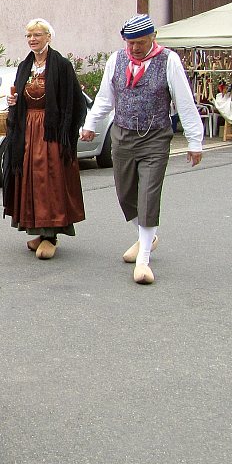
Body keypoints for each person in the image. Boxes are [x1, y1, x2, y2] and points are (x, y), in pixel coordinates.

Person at [80, 14, 203, 285]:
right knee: (125, 194)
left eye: (141, 42)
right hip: (122, 134)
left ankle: (144, 259)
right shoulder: (116, 60)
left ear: (153, 37)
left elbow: (184, 102)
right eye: (131, 42)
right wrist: (91, 124)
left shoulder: (168, 60)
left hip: (155, 137)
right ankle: (147, 236)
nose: (135, 48)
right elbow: (105, 97)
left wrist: (195, 141)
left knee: (148, 193)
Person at [2, 18, 87, 260]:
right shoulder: (24, 66)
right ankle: (39, 230)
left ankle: (51, 234)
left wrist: (65, 132)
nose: (32, 39)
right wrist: (14, 103)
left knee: (48, 181)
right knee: (30, 179)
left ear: (48, 37)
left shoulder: (61, 65)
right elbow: (20, 94)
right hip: (27, 129)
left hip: (51, 131)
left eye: (37, 35)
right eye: (29, 36)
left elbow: (75, 101)